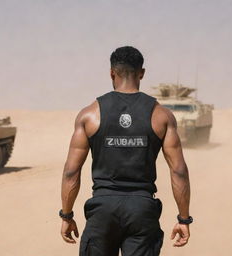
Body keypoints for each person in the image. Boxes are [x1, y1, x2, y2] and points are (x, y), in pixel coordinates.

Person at [59, 46, 192, 256]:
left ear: (112, 73)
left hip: (103, 210)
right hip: (142, 210)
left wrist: (66, 215)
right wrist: (183, 219)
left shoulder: (89, 115)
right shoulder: (162, 116)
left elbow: (71, 172)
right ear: (142, 73)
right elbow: (179, 171)